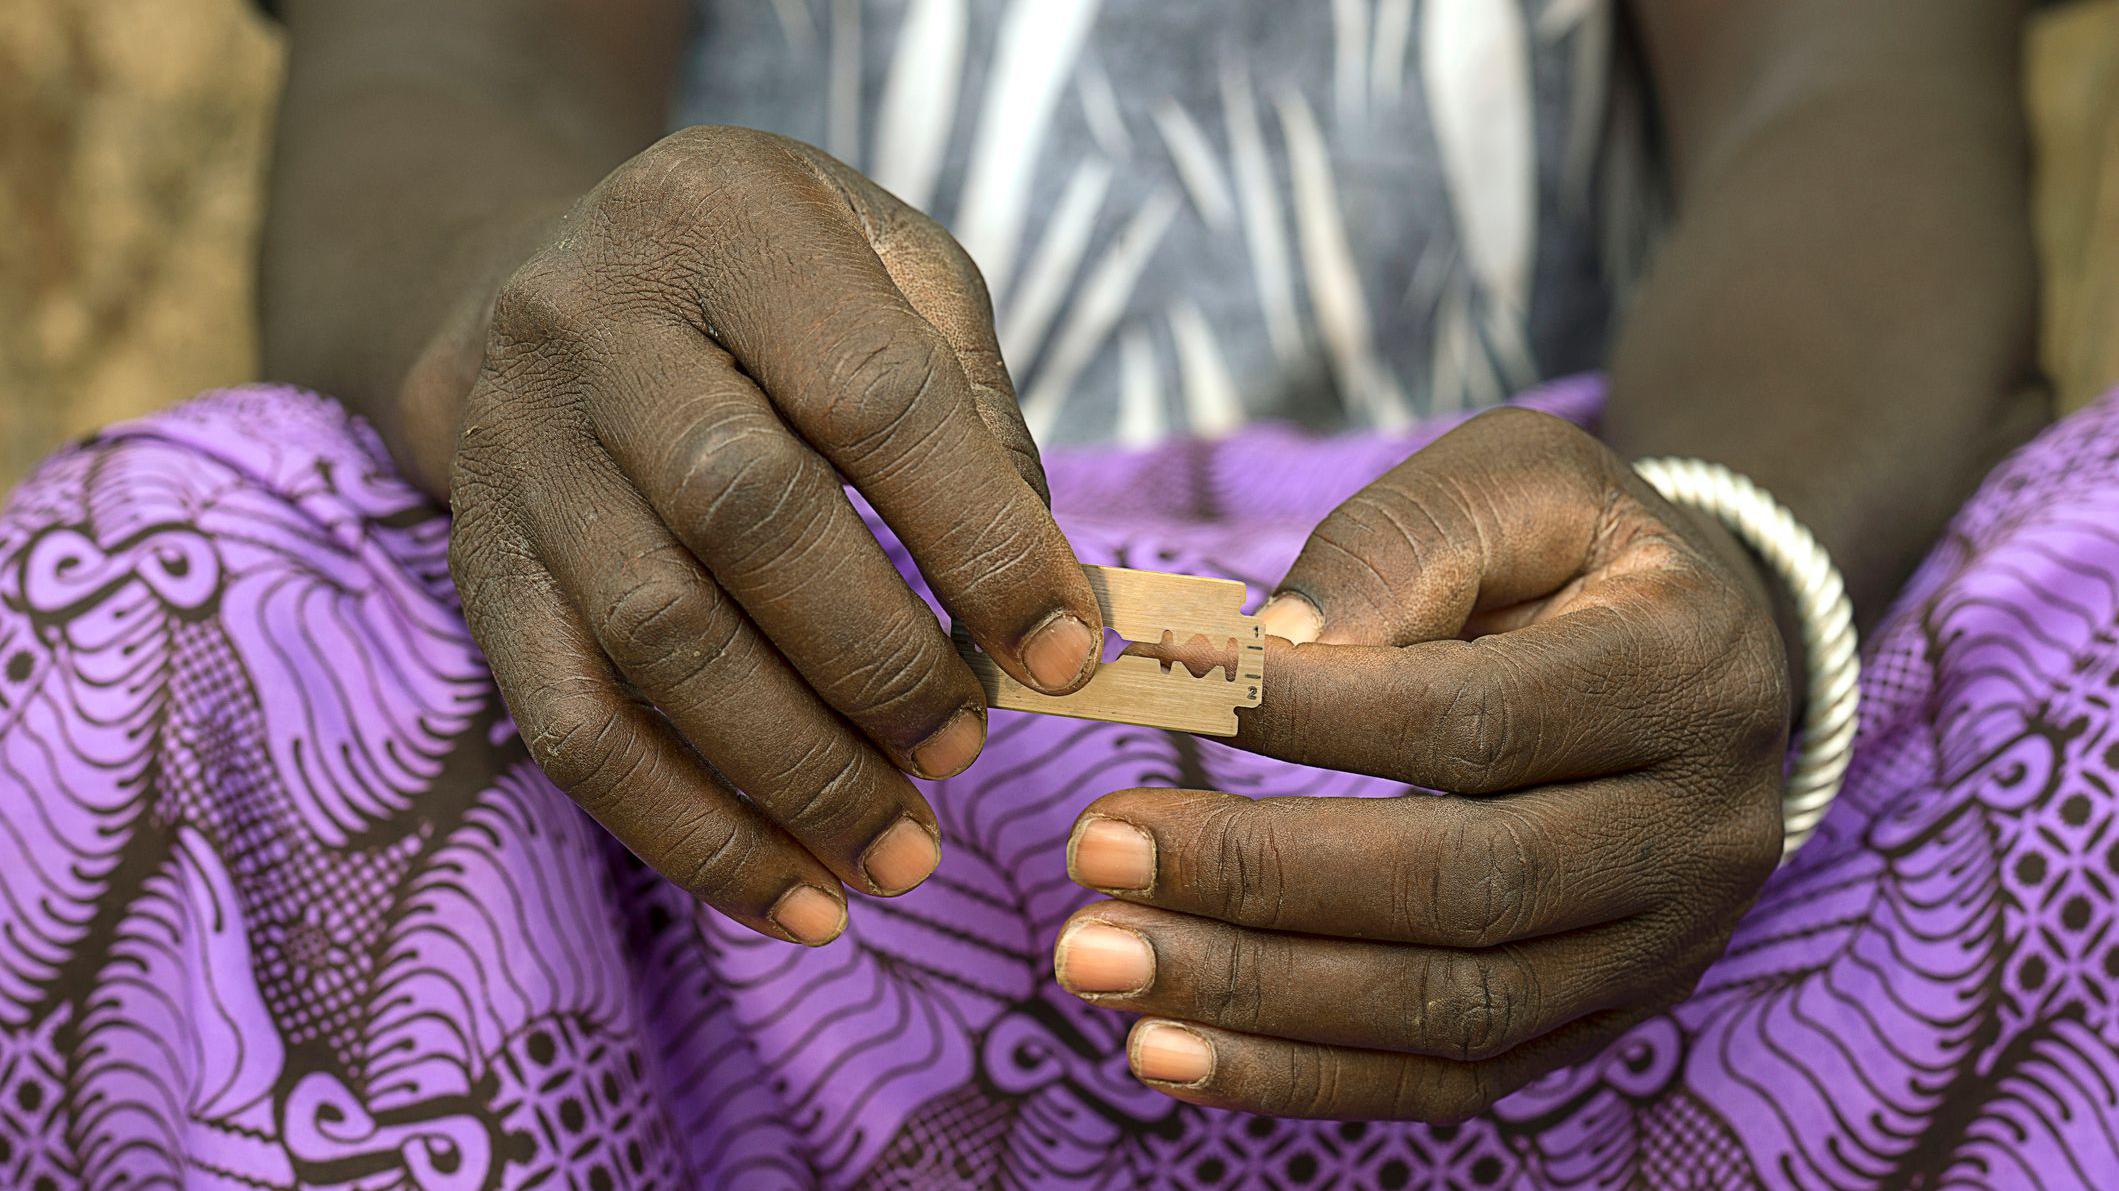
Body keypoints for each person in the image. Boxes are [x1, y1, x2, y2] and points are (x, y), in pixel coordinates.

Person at [4, 0, 2110, 1186]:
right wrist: (533, 344)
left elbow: (1847, 87)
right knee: (154, 584)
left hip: (1589, 771)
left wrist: (1732, 560)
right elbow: (454, 73)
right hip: (744, 752)